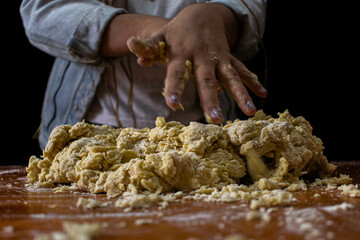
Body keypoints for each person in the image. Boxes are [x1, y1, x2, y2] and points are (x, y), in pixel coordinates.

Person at [20, 0, 267, 150]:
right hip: (88, 129)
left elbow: (248, 8)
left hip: (201, 134)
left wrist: (213, 18)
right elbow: (42, 10)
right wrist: (161, 31)